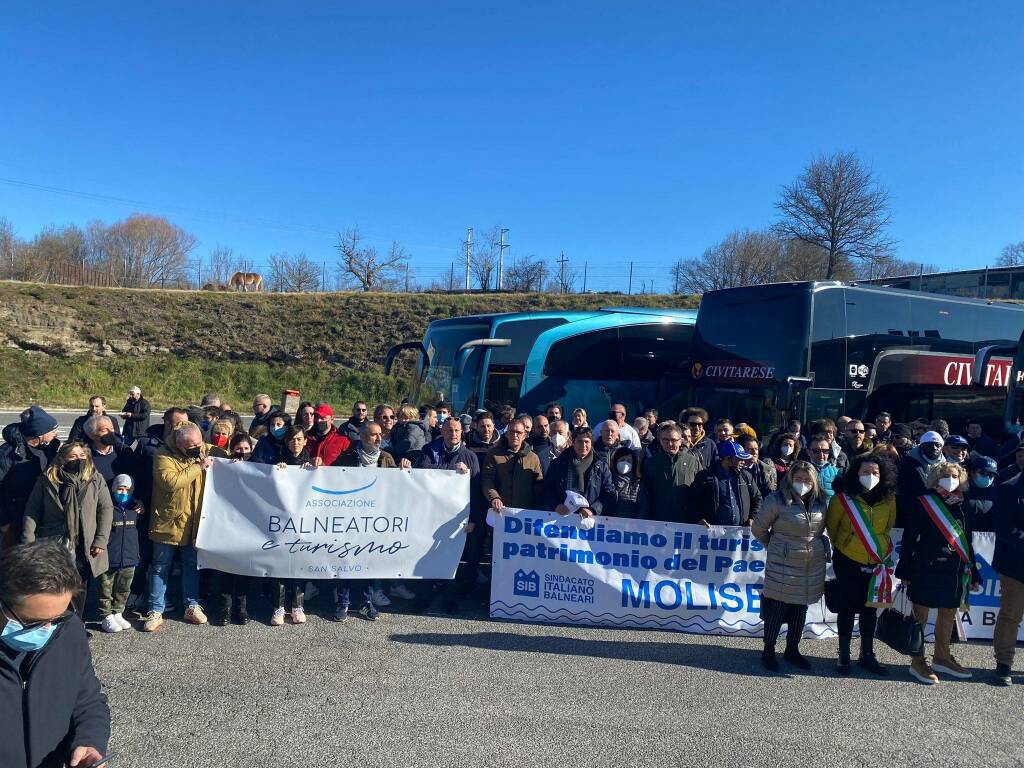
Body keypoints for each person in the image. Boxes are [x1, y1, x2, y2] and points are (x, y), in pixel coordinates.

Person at [0, 540, 110, 768]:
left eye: (57, 618)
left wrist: (89, 741)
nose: (47, 630)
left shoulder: (69, 630)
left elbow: (88, 701)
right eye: (32, 622)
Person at [896, 462, 981, 684]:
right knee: (920, 616)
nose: (949, 479)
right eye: (944, 475)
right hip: (926, 566)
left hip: (954, 569)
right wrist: (904, 567)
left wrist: (975, 572)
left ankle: (942, 658)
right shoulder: (924, 502)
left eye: (954, 475)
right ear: (935, 478)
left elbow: (967, 541)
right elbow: (908, 538)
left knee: (948, 614)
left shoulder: (964, 504)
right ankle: (917, 661)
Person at [751, 461, 828, 672]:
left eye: (807, 480)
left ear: (814, 482)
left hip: (810, 565)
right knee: (776, 607)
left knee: (799, 609)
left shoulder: (821, 502)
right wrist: (775, 546)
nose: (803, 484)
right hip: (783, 563)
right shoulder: (776, 500)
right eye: (798, 479)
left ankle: (792, 649)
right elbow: (758, 529)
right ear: (790, 479)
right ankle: (768, 649)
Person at [825, 454, 898, 676]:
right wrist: (849, 546)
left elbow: (887, 528)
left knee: (869, 609)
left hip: (876, 561)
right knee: (847, 607)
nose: (871, 476)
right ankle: (844, 653)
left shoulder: (888, 499)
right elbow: (833, 529)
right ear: (856, 474)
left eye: (875, 473)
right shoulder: (842, 499)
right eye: (866, 472)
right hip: (848, 559)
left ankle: (867, 654)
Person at [22, 443, 113, 618]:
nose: (78, 459)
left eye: (81, 455)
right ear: (62, 458)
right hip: (56, 541)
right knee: (57, 585)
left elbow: (106, 509)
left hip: (85, 542)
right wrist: (28, 541)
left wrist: (100, 540)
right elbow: (32, 510)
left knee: (79, 586)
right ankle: (56, 622)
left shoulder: (94, 478)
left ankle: (76, 625)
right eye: (73, 456)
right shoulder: (47, 479)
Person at [143, 422, 211, 632]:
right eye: (193, 446)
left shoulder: (204, 450)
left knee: (191, 564)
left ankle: (191, 605)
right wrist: (198, 466)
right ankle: (155, 609)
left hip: (194, 522)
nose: (199, 448)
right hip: (168, 522)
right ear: (180, 444)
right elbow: (170, 482)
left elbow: (230, 456)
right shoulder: (163, 456)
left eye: (200, 443)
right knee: (160, 566)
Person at [412, 418, 480, 613]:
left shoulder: (469, 457)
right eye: (449, 430)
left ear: (462, 432)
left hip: (456, 519)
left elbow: (475, 491)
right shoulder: (429, 451)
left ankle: (449, 598)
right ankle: (423, 596)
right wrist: (452, 471)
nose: (454, 434)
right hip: (430, 515)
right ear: (442, 431)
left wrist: (473, 519)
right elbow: (422, 473)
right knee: (426, 556)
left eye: (457, 430)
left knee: (451, 559)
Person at [334, 422, 401, 620]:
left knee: (370, 562)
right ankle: (343, 602)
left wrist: (404, 470)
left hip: (375, 520)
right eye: (374, 435)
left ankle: (366, 602)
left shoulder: (387, 458)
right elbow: (332, 481)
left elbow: (398, 487)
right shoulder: (347, 457)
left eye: (380, 435)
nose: (379, 439)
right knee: (345, 560)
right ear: (362, 438)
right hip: (350, 519)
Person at [263, 426, 313, 626]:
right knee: (279, 566)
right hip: (281, 521)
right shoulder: (277, 461)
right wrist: (278, 471)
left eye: (300, 439)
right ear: (287, 442)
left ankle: (297, 605)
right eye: (292, 439)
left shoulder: (311, 463)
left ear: (305, 441)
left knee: (298, 566)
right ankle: (278, 607)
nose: (296, 443)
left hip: (303, 522)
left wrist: (316, 468)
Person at [96, 474, 143, 633]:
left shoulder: (135, 509)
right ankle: (105, 615)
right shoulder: (107, 507)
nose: (122, 492)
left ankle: (118, 612)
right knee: (106, 587)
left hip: (129, 557)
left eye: (126, 489)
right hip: (110, 556)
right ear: (113, 489)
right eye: (119, 488)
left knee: (124, 588)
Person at [992, 468, 1024, 686]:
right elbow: (1003, 528)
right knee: (1010, 616)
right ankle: (1004, 664)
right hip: (1016, 565)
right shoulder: (1009, 487)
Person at [543, 427, 615, 517]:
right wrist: (556, 505)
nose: (583, 445)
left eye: (587, 442)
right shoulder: (558, 463)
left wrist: (593, 509)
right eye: (579, 441)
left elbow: (608, 493)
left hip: (589, 519)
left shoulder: (601, 466)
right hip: (561, 517)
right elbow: (547, 488)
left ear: (591, 443)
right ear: (573, 443)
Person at [691, 441, 762, 526]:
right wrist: (699, 519)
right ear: (728, 459)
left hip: (740, 534)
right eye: (739, 458)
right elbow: (692, 502)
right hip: (712, 534)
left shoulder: (746, 476)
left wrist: (753, 517)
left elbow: (758, 499)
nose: (743, 461)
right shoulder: (705, 477)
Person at [481, 418, 543, 514]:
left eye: (518, 432)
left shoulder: (533, 457)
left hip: (525, 513)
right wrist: (494, 497)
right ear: (506, 434)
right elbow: (487, 480)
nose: (515, 435)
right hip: (500, 511)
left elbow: (539, 484)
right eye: (511, 432)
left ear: (525, 435)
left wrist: (538, 508)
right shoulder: (493, 454)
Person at [641, 423, 699, 523]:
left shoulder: (692, 461)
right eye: (666, 440)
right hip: (658, 521)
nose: (670, 444)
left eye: (674, 440)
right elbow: (644, 494)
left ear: (680, 441)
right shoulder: (651, 463)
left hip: (686, 521)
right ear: (660, 441)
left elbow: (701, 491)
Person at [897, 430, 946, 526]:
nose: (934, 448)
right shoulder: (907, 464)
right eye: (929, 445)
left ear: (942, 447)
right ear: (921, 446)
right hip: (912, 513)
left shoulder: (946, 466)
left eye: (937, 445)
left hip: (938, 515)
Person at [82, 415, 131, 485]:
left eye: (111, 428)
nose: (110, 432)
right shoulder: (84, 456)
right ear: (92, 435)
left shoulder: (124, 451)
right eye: (104, 430)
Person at [963, 455, 998, 532]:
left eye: (992, 475)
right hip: (963, 539)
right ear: (972, 472)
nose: (988, 477)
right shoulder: (961, 491)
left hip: (988, 540)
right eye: (984, 473)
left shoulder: (998, 492)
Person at [609, 444, 645, 518]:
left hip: (628, 527)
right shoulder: (607, 480)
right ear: (616, 461)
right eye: (622, 460)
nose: (625, 463)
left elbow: (643, 509)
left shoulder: (637, 485)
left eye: (628, 461)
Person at [738, 434, 776, 498]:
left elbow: (772, 492)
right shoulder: (734, 471)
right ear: (741, 451)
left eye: (756, 449)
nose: (754, 452)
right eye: (750, 449)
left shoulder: (768, 469)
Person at [806, 435, 840, 501]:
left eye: (825, 451)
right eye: (816, 451)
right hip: (810, 510)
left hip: (830, 509)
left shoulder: (837, 472)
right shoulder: (800, 471)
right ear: (808, 452)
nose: (821, 454)